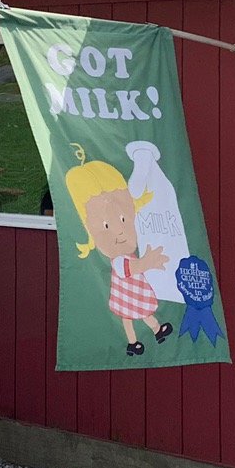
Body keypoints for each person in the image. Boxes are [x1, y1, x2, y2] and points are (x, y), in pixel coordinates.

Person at [63, 146, 174, 357]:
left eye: (123, 219)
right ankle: (134, 342)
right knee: (133, 315)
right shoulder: (118, 261)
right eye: (106, 226)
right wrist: (147, 262)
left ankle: (156, 331)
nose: (120, 230)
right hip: (129, 295)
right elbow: (133, 267)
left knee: (140, 313)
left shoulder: (126, 254)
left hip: (133, 294)